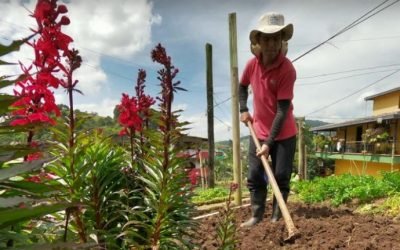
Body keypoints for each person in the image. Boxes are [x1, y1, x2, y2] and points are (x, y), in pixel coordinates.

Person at [239, 12, 297, 227]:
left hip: (284, 133)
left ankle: (276, 217)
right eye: (267, 39)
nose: (271, 44)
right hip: (259, 129)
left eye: (276, 38)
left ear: (282, 40)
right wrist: (243, 108)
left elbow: (282, 111)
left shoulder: (287, 70)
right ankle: (256, 215)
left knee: (281, 176)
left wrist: (268, 144)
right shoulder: (251, 65)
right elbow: (242, 85)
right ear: (259, 42)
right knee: (255, 174)